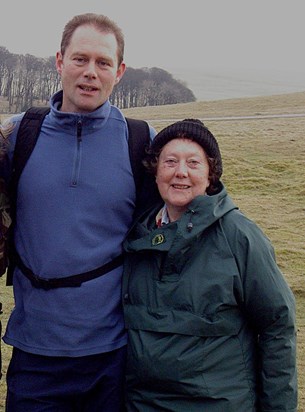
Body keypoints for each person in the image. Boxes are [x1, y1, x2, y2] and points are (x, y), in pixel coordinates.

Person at [2, 13, 158, 412]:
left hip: (115, 354)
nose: (91, 73)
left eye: (103, 62)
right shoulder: (17, 136)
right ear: (59, 61)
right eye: (80, 59)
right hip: (34, 353)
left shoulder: (141, 142)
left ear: (119, 71)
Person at [122, 119, 298, 411]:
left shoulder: (240, 237)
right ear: (155, 172)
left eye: (193, 162)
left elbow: (277, 326)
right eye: (170, 161)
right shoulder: (137, 234)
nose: (181, 172)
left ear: (210, 174)